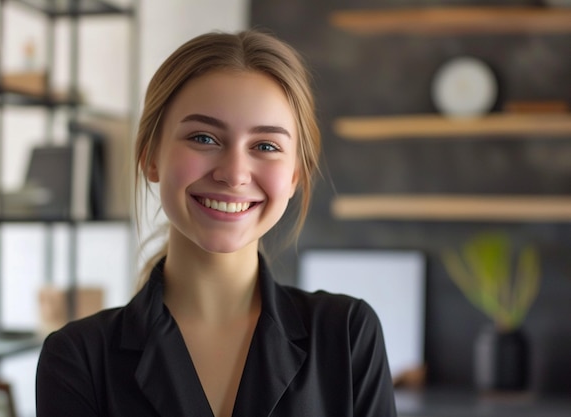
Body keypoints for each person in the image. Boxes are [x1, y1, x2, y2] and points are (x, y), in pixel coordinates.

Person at [36, 29, 397, 417]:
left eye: (266, 146)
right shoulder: (79, 358)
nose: (234, 173)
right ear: (150, 156)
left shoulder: (346, 335)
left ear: (295, 176)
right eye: (204, 138)